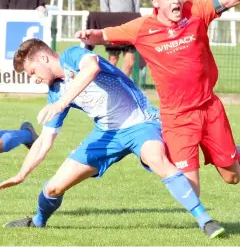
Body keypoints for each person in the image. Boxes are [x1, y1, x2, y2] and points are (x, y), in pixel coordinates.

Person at [75, 0, 240, 199]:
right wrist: (92, 35)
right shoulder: (141, 28)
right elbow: (106, 34)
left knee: (232, 177)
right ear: (155, 2)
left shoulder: (197, 11)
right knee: (190, 193)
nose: (176, 1)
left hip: (209, 109)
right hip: (177, 119)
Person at [1, 39, 224, 238]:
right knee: (52, 189)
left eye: (32, 72)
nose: (35, 79)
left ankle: (205, 220)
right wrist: (22, 174)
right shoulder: (56, 91)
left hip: (140, 123)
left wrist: (61, 103)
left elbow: (92, 68)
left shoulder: (72, 56)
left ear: (43, 58)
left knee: (156, 158)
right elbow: (44, 141)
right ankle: (37, 222)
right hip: (106, 134)